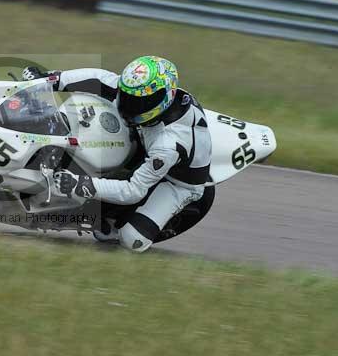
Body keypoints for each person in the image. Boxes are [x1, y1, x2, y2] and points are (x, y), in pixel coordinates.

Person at [22, 56, 213, 253]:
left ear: (164, 98)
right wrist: (49, 80)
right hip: (144, 139)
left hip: (176, 183)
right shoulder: (139, 91)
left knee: (131, 241)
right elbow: (98, 78)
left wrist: (81, 184)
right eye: (127, 96)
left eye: (139, 103)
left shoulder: (169, 144)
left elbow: (133, 191)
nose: (130, 106)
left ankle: (114, 221)